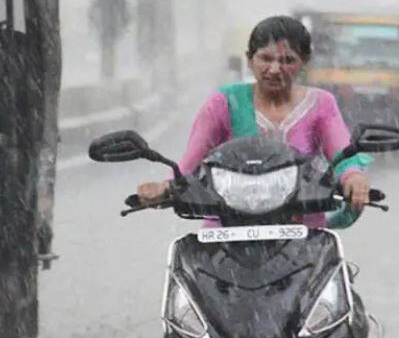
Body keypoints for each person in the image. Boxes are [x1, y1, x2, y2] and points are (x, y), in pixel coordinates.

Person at [137, 15, 372, 228]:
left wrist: (354, 178)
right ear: (250, 60)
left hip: (303, 232)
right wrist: (166, 187)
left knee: (333, 275)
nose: (275, 69)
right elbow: (189, 165)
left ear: (304, 61)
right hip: (227, 230)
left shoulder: (321, 103)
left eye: (287, 60)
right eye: (265, 58)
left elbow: (343, 155)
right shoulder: (224, 101)